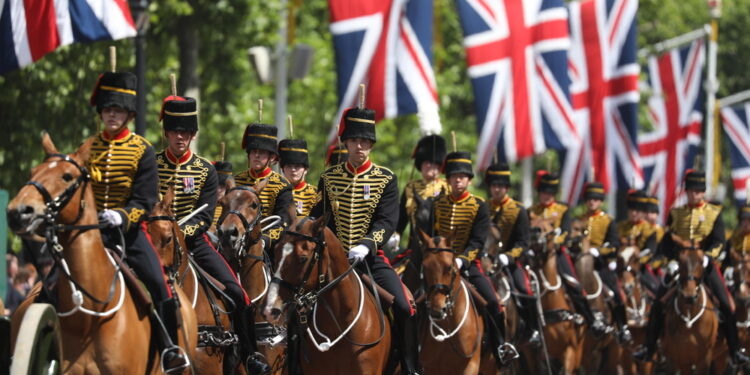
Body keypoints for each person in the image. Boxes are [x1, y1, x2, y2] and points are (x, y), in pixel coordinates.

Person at [155, 95, 269, 374]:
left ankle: (250, 354)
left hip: (194, 243)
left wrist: (180, 234)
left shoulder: (205, 169)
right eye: (175, 131)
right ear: (166, 133)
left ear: (193, 135)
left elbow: (205, 216)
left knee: (237, 293)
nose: (180, 137)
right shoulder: (152, 163)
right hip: (155, 243)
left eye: (186, 132)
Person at [87, 70, 188, 372]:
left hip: (128, 234)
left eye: (117, 109)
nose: (112, 114)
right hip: (90, 231)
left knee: (160, 286)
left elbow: (145, 201)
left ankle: (170, 349)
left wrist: (121, 215)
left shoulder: (141, 149)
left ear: (129, 114)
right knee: (50, 283)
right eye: (107, 109)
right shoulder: (89, 147)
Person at [311, 106, 421, 375]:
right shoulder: (329, 178)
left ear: (371, 144)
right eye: (354, 140)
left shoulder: (385, 179)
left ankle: (409, 365)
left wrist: (367, 244)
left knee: (405, 308)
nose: (359, 146)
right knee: (296, 302)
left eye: (365, 141)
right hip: (333, 262)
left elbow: (387, 221)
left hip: (369, 259)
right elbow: (318, 219)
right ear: (346, 142)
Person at [634, 171, 750, 364]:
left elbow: (719, 241)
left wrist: (708, 257)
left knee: (726, 304)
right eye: (691, 191)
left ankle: (735, 350)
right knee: (657, 303)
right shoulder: (676, 213)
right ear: (686, 192)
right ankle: (649, 347)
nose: (695, 194)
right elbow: (666, 243)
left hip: (705, 264)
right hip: (681, 265)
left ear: (703, 193)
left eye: (698, 191)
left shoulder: (714, 213)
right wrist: (671, 259)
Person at [432, 152, 518, 367]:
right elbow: (433, 235)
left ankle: (500, 347)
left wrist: (461, 261)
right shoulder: (438, 204)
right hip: (439, 266)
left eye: (462, 176)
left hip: (467, 265)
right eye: (454, 175)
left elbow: (478, 241)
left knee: (494, 304)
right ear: (448, 179)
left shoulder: (479, 206)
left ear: (469, 180)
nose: (458, 179)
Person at [528, 171, 609, 337]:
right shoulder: (532, 211)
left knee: (574, 284)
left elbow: (565, 232)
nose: (546, 196)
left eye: (550, 193)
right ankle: (527, 326)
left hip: (556, 253)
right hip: (534, 255)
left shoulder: (563, 209)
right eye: (544, 192)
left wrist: (554, 243)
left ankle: (590, 319)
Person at [484, 162, 540, 347]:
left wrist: (508, 256)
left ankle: (533, 329)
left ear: (507, 188)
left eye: (500, 186)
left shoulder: (518, 209)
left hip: (509, 260)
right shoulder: (483, 208)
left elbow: (523, 242)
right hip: (484, 259)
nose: (497, 189)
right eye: (494, 186)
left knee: (524, 290)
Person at [577, 182, 630, 342]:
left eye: (596, 199)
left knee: (615, 293)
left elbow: (614, 245)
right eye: (589, 199)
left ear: (600, 201)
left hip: (600, 264)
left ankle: (623, 327)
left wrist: (598, 251)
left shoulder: (608, 220)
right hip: (580, 263)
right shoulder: (579, 220)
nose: (592, 202)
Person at [234, 122, 293, 253]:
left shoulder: (282, 185)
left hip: (268, 247)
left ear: (271, 157)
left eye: (262, 152)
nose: (257, 156)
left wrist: (263, 241)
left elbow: (282, 223)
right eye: (254, 151)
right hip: (236, 241)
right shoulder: (237, 180)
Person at [393, 134, 449, 255]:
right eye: (426, 162)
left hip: (440, 247)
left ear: (440, 166)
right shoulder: (410, 187)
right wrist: (397, 234)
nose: (429, 166)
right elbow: (402, 217)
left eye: (433, 162)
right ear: (420, 164)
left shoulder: (447, 187)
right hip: (414, 247)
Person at [617, 190, 661, 295]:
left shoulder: (650, 229)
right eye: (631, 210)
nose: (633, 213)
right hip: (620, 266)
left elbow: (650, 251)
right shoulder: (619, 227)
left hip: (641, 267)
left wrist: (637, 261)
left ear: (643, 212)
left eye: (637, 211)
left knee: (656, 290)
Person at [278, 138, 317, 217]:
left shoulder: (314, 194)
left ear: (305, 170)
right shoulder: (276, 191)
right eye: (289, 166)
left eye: (297, 166)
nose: (293, 170)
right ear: (282, 169)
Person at [211, 160, 233, 227]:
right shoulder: (204, 205)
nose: (218, 190)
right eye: (216, 185)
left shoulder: (233, 210)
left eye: (222, 186)